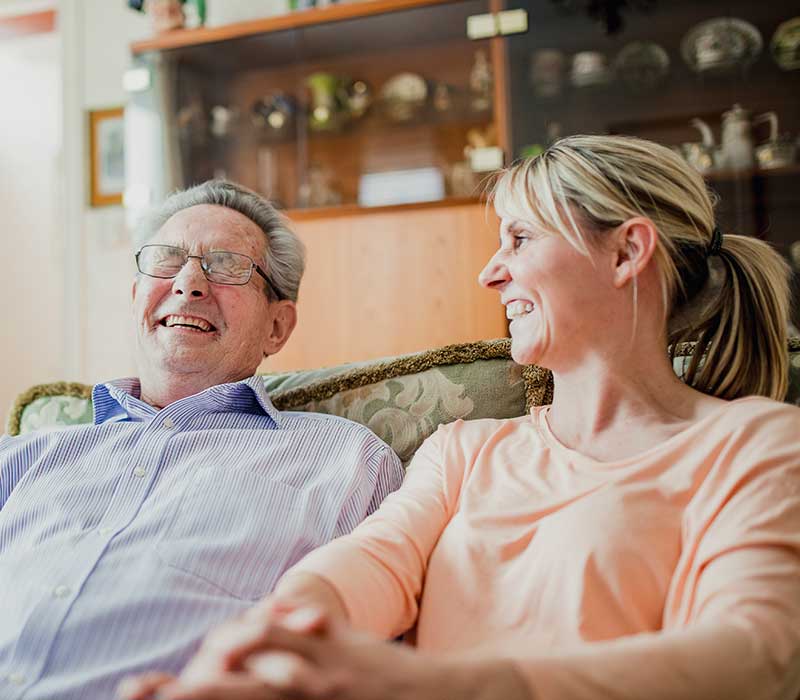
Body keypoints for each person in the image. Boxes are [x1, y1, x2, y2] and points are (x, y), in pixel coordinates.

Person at [122, 135, 800, 700]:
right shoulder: (466, 449)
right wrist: (271, 650)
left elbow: (754, 653)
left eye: (520, 238)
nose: (489, 273)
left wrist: (426, 684)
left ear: (626, 252)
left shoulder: (756, 445)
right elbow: (367, 566)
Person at [0, 180, 404, 700]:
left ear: (277, 327)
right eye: (167, 260)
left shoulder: (346, 461)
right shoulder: (24, 456)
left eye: (228, 264)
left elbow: (366, 659)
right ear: (135, 299)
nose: (188, 283)